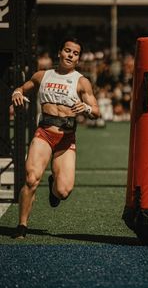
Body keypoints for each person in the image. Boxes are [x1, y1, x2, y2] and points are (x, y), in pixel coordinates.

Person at [11, 37, 100, 238]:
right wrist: (16, 92)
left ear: (78, 59)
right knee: (31, 179)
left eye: (75, 53)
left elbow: (96, 111)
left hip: (66, 139)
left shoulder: (81, 81)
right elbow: (21, 88)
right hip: (44, 133)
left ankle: (53, 187)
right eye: (67, 50)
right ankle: (22, 226)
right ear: (60, 53)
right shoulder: (42, 76)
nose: (70, 55)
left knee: (63, 191)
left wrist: (85, 108)